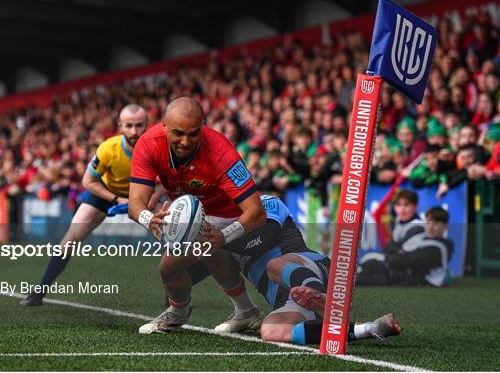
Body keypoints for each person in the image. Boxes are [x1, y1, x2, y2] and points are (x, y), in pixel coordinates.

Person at [180, 195, 402, 344]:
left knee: (273, 265)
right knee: (270, 331)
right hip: (285, 296)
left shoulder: (266, 202)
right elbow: (188, 277)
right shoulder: (216, 232)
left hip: (309, 268)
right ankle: (369, 328)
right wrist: (181, 249)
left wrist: (221, 241)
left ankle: (322, 298)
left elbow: (264, 236)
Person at [128, 96, 267, 334]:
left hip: (227, 214)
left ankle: (178, 312)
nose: (185, 141)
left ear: (202, 126)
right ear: (163, 125)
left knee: (169, 266)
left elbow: (256, 212)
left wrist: (223, 236)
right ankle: (246, 312)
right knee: (183, 263)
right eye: (178, 133)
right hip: (189, 210)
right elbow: (135, 204)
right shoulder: (148, 143)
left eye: (193, 134)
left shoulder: (221, 153)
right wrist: (148, 218)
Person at [20, 105, 150, 306]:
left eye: (139, 125)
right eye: (129, 126)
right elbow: (88, 181)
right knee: (71, 238)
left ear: (147, 124)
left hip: (143, 194)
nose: (134, 131)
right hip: (107, 194)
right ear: (120, 125)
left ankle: (174, 303)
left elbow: (161, 182)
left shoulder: (156, 148)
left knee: (171, 233)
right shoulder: (108, 148)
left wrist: (143, 200)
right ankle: (40, 291)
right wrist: (115, 199)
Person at [357, 207, 454, 287]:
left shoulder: (440, 247)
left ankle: (355, 278)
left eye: (436, 223)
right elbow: (398, 248)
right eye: (428, 222)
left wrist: (392, 258)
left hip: (420, 281)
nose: (431, 227)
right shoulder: (422, 237)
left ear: (445, 226)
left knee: (380, 275)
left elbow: (410, 260)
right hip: (404, 271)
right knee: (373, 263)